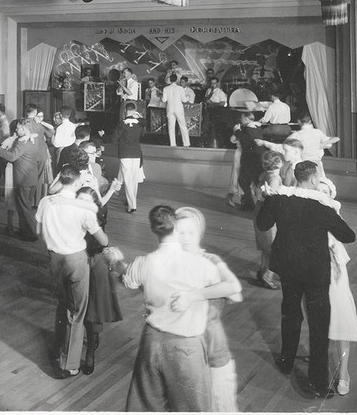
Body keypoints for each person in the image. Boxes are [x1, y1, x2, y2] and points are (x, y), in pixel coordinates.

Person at [105, 205, 233, 412]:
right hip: (187, 348)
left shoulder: (145, 262)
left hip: (151, 343)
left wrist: (115, 261)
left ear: (153, 229)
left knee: (146, 406)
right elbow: (231, 290)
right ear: (175, 227)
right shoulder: (203, 265)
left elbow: (127, 277)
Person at [256, 161, 356, 398]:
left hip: (288, 269)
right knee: (318, 326)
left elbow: (263, 224)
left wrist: (265, 199)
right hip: (315, 273)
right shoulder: (322, 207)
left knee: (290, 314)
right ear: (313, 179)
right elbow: (348, 236)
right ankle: (318, 383)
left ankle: (286, 361)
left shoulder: (279, 199)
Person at [35, 166, 109, 378]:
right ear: (77, 183)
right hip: (76, 260)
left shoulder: (45, 202)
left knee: (62, 303)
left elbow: (38, 231)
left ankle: (57, 349)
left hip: (54, 259)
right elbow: (104, 240)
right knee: (76, 313)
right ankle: (69, 365)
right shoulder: (83, 207)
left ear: (60, 179)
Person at [174, 207, 243, 412]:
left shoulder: (211, 260)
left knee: (222, 407)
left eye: (191, 232)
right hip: (182, 352)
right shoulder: (169, 262)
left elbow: (234, 290)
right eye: (180, 232)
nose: (185, 238)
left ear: (200, 233)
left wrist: (195, 294)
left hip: (212, 349)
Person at [75, 186, 122, 375]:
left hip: (95, 262)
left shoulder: (96, 215)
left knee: (93, 308)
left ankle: (90, 349)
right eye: (80, 200)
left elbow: (103, 241)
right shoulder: (70, 214)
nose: (83, 205)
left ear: (95, 204)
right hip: (78, 262)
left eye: (87, 201)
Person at [0, 121, 41, 241]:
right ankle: (24, 231)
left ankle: (31, 234)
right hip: (32, 178)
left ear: (25, 130)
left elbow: (12, 157)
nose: (16, 130)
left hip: (23, 180)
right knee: (25, 207)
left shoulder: (21, 143)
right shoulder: (34, 139)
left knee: (24, 209)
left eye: (18, 129)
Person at [252, 150, 283, 290]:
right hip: (269, 215)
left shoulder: (264, 174)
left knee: (266, 247)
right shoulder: (275, 179)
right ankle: (267, 276)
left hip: (259, 212)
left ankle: (262, 272)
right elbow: (273, 198)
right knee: (275, 247)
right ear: (279, 163)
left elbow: (257, 191)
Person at [113, 103, 145, 213]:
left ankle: (132, 205)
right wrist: (139, 117)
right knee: (134, 180)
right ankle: (131, 201)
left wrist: (103, 136)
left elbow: (114, 138)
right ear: (134, 110)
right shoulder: (139, 124)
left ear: (125, 111)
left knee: (128, 180)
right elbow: (144, 133)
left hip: (125, 154)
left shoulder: (122, 124)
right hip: (136, 154)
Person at [232, 112, 266, 212]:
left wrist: (236, 131)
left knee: (243, 181)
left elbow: (247, 140)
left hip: (250, 158)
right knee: (258, 181)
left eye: (242, 118)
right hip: (259, 158)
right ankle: (263, 204)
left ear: (247, 119)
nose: (241, 120)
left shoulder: (248, 129)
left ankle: (249, 204)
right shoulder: (258, 128)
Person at [162, 74, 190, 147]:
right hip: (178, 109)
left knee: (171, 127)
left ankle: (173, 144)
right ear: (177, 80)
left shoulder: (166, 88)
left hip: (170, 109)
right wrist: (188, 97)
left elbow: (164, 100)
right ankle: (186, 143)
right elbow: (184, 100)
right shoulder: (180, 88)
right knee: (183, 126)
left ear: (170, 80)